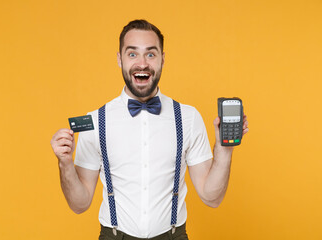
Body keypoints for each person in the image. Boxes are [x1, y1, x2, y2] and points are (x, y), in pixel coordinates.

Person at [51, 19, 249, 240]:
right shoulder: (95, 122)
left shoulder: (188, 117)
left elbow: (211, 197)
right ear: (120, 59)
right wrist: (65, 163)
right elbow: (79, 204)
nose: (142, 63)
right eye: (132, 54)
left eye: (151, 54)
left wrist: (224, 149)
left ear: (163, 59)